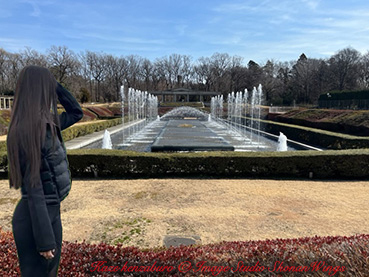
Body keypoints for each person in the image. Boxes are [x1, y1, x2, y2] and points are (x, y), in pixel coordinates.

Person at [7, 65, 83, 276]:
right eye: (47, 87)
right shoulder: (27, 130)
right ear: (38, 89)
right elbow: (33, 187)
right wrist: (44, 240)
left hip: (49, 211)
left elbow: (76, 113)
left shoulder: (48, 121)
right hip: (35, 219)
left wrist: (55, 85)